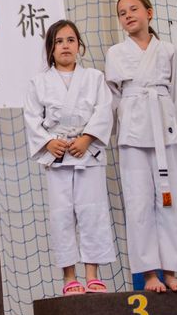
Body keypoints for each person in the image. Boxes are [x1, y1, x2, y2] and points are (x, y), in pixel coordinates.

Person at [24, 20, 116, 295]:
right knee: (62, 214)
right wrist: (48, 142)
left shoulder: (95, 78)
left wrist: (87, 138)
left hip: (87, 152)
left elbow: (104, 110)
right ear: (50, 50)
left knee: (92, 211)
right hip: (59, 155)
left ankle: (92, 274)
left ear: (79, 46)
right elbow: (32, 117)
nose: (65, 46)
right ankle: (69, 277)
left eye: (70, 40)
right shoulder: (39, 82)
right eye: (59, 41)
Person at [105, 0, 177, 293]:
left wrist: (167, 122)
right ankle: (149, 274)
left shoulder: (167, 50)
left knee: (169, 201)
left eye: (133, 9)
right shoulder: (116, 52)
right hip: (133, 135)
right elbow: (112, 98)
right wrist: (120, 129)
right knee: (138, 204)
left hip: (165, 132)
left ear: (149, 13)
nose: (128, 15)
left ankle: (170, 271)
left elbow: (173, 92)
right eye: (122, 12)